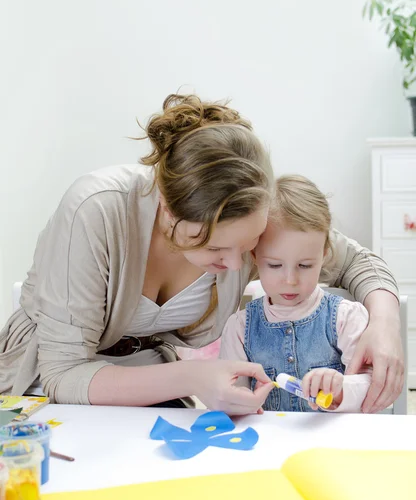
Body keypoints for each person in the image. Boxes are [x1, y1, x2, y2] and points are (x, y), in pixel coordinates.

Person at [0, 94, 403, 414]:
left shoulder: (255, 216)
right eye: (213, 247)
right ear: (167, 209)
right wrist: (192, 377)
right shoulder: (95, 211)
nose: (235, 266)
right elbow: (63, 374)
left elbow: (355, 261)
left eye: (247, 247)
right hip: (43, 392)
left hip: (153, 395)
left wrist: (384, 326)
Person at [220, 175, 377, 412]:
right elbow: (229, 394)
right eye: (274, 265)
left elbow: (370, 384)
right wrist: (238, 400)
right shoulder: (239, 328)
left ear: (323, 254)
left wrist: (342, 387)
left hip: (331, 444)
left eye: (304, 266)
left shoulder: (345, 317)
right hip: (267, 443)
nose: (290, 280)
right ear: (254, 257)